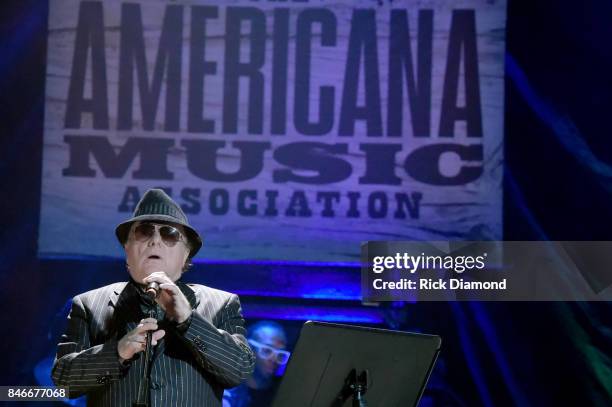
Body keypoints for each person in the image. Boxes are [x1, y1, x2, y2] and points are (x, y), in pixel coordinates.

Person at [51, 188, 255, 406]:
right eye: (144, 232)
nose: (155, 241)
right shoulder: (89, 304)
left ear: (186, 254)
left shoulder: (221, 303)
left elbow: (239, 371)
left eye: (169, 234)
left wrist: (188, 320)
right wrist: (117, 352)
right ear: (127, 249)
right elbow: (64, 383)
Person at [223, 321, 290, 407]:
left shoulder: (284, 392)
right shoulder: (226, 392)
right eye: (267, 351)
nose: (274, 359)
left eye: (280, 355)